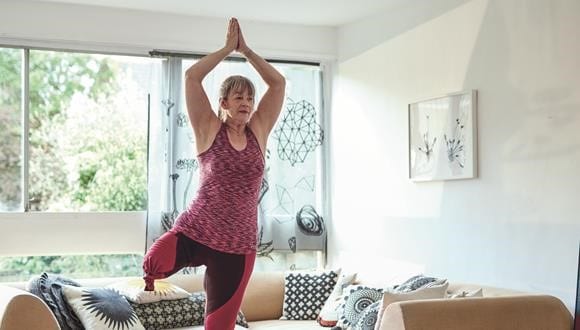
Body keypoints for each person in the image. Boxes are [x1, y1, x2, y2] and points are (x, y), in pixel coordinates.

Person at [142, 17, 285, 330]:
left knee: (219, 327)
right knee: (154, 263)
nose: (247, 103)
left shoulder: (258, 131)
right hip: (196, 231)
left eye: (250, 98)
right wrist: (226, 50)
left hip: (238, 247)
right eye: (239, 97)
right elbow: (192, 77)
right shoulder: (208, 128)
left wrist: (246, 50)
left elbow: (278, 84)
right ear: (224, 103)